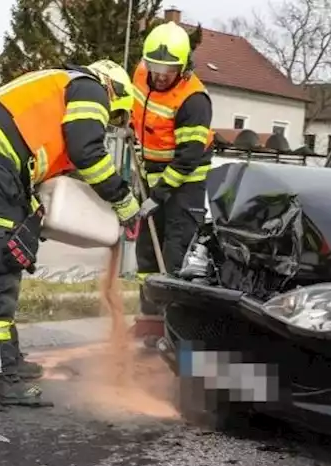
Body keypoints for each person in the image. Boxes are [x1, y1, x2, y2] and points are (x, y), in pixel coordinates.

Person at [0, 60, 142, 406]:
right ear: (116, 92)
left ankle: (8, 361)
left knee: (7, 260)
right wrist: (123, 198)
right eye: (113, 117)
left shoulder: (63, 86)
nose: (107, 122)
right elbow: (88, 153)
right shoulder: (91, 89)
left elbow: (52, 157)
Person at [129, 21, 213, 343]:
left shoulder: (194, 101)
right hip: (153, 181)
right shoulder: (141, 74)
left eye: (169, 69)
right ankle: (149, 320)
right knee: (147, 254)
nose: (160, 75)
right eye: (155, 66)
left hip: (185, 186)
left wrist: (159, 195)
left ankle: (174, 329)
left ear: (184, 67)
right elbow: (130, 101)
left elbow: (187, 159)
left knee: (175, 255)